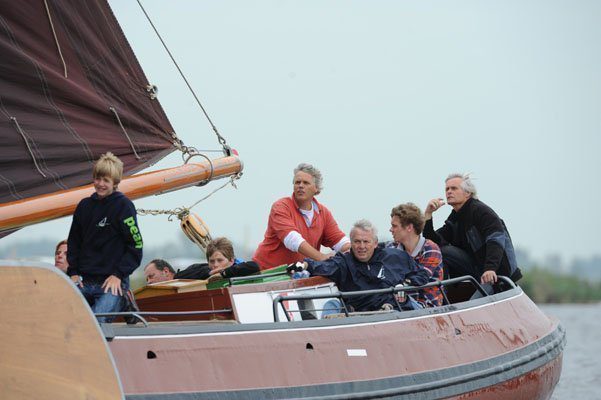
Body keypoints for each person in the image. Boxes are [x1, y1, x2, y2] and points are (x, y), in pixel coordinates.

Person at [67, 152, 143, 323]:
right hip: (84, 282)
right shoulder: (84, 206)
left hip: (113, 282)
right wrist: (73, 273)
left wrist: (118, 275)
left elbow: (136, 245)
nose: (100, 184)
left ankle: (123, 299)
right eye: (98, 179)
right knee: (62, 316)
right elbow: (74, 242)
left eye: (106, 181)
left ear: (115, 183)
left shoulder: (124, 206)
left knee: (94, 323)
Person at [292, 220, 430, 313]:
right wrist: (304, 265)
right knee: (332, 304)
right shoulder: (343, 262)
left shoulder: (395, 256)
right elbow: (322, 266)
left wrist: (406, 284)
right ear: (351, 243)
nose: (361, 246)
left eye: (366, 241)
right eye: (357, 242)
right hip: (362, 314)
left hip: (399, 310)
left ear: (375, 243)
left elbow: (422, 274)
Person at [423, 173, 522, 286]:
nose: (449, 192)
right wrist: (428, 214)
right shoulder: (455, 217)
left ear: (468, 193)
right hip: (477, 269)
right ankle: (441, 294)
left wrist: (490, 268)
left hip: (498, 273)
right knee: (438, 250)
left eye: (454, 188)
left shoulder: (481, 211)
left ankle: (441, 294)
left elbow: (496, 240)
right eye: (447, 189)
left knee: (444, 251)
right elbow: (432, 242)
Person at [253, 163, 350, 270]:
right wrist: (322, 257)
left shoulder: (324, 213)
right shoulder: (281, 206)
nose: (300, 186)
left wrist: (359, 249)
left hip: (296, 274)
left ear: (316, 189)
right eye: (297, 182)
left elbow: (341, 242)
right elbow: (293, 240)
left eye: (306, 183)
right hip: (266, 272)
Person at [387, 203, 444, 307]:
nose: (390, 229)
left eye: (394, 226)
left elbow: (420, 279)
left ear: (409, 227)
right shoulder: (391, 248)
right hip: (399, 302)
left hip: (426, 305)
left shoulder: (431, 249)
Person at [144, 238, 260, 284]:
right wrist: (210, 273)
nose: (215, 265)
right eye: (212, 261)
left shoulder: (241, 267)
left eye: (220, 260)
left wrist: (223, 273)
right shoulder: (203, 269)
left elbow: (254, 266)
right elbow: (181, 275)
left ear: (231, 260)